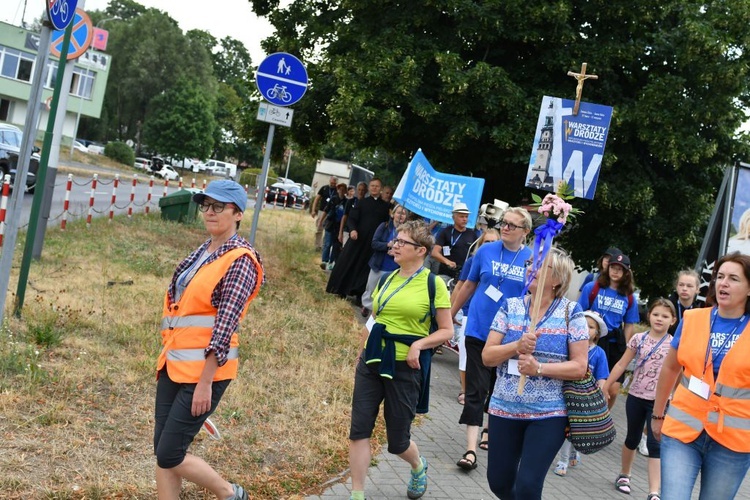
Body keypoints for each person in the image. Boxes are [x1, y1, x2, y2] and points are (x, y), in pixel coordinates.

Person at [154, 180, 264, 500]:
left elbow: (225, 325)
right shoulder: (204, 251)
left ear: (238, 213)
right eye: (206, 205)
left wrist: (205, 382)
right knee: (163, 449)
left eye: (219, 207)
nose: (210, 212)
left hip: (206, 372)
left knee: (171, 453)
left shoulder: (240, 260)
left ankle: (230, 494)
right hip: (174, 363)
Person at [348, 220, 453, 500]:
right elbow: (375, 317)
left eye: (401, 242)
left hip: (406, 367)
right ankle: (357, 494)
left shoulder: (433, 285)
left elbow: (447, 330)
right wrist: (362, 349)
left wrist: (419, 344)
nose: (394, 245)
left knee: (397, 441)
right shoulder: (386, 278)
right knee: (359, 430)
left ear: (420, 251)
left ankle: (418, 465)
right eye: (395, 240)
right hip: (372, 362)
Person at [482, 247, 589, 499]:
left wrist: (539, 368)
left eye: (541, 266)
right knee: (498, 481)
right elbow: (487, 356)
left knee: (529, 485)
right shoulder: (510, 306)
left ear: (558, 279)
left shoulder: (571, 312)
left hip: (548, 413)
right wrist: (516, 346)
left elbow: (579, 367)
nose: (532, 268)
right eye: (531, 263)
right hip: (504, 406)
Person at [652, 252, 750, 500]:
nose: (723, 283)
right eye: (720, 277)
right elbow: (670, 368)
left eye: (734, 279)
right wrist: (657, 414)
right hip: (683, 430)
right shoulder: (693, 318)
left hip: (733, 442)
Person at [450, 207, 532, 470]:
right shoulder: (485, 251)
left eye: (512, 225)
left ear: (525, 232)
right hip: (478, 329)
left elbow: (534, 298)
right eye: (504, 223)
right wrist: (448, 316)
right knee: (476, 389)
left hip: (508, 339)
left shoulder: (532, 260)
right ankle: (470, 450)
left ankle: (489, 429)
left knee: (497, 390)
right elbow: (469, 285)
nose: (505, 228)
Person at [603, 298, 675, 499]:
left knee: (655, 444)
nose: (659, 319)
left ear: (673, 320)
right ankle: (624, 475)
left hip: (660, 402)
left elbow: (678, 374)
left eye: (665, 316)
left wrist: (674, 397)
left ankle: (653, 491)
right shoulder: (638, 339)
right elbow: (621, 364)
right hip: (635, 396)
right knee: (632, 438)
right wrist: (606, 386)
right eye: (656, 314)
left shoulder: (674, 344)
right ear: (649, 315)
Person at [578, 250, 640, 407]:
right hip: (593, 340)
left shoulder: (629, 296)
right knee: (587, 382)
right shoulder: (592, 288)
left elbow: (629, 324)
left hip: (614, 343)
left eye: (620, 269)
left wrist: (625, 348)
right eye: (613, 267)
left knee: (612, 390)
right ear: (607, 268)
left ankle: (604, 417)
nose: (615, 271)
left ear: (626, 273)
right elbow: (579, 314)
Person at [554, 310, 609, 477]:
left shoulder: (599, 353)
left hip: (585, 398)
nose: (586, 329)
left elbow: (602, 377)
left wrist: (599, 395)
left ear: (597, 333)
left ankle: (570, 454)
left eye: (591, 327)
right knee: (566, 427)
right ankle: (563, 459)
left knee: (576, 429)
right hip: (567, 393)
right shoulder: (569, 346)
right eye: (583, 324)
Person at [450, 228, 501, 405]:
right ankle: (465, 390)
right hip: (471, 312)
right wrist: (451, 311)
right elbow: (461, 286)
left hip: (495, 319)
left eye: (494, 242)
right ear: (480, 244)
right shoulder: (474, 260)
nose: (491, 245)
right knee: (465, 353)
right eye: (487, 242)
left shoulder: (504, 263)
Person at [327, 178, 390, 304]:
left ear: (381, 188)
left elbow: (387, 224)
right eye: (372, 186)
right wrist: (353, 230)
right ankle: (341, 290)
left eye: (377, 186)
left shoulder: (385, 207)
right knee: (348, 263)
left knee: (365, 269)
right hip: (357, 240)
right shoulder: (361, 203)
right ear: (369, 188)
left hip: (372, 244)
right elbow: (351, 219)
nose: (374, 188)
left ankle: (359, 294)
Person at [360, 204, 409, 317]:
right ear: (393, 214)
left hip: (394, 268)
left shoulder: (406, 232)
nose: (401, 216)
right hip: (379, 265)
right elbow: (374, 243)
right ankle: (367, 306)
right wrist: (387, 245)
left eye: (404, 214)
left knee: (385, 292)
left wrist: (396, 251)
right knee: (371, 289)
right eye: (399, 213)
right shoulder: (384, 226)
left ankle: (375, 313)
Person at [430, 202, 480, 282]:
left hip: (463, 276)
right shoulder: (446, 232)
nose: (465, 219)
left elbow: (477, 254)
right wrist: (447, 261)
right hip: (445, 273)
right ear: (454, 217)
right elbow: (434, 252)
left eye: (466, 217)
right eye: (462, 216)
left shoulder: (472, 234)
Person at [321, 182, 349, 270]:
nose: (341, 191)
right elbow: (326, 210)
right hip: (330, 224)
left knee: (335, 245)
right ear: (338, 190)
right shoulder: (333, 199)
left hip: (339, 226)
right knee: (327, 243)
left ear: (345, 191)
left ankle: (331, 261)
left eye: (343, 189)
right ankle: (324, 261)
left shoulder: (346, 202)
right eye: (340, 189)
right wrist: (321, 221)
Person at [668, 269, 702, 335]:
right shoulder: (667, 307)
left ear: (697, 289)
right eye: (681, 285)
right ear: (676, 286)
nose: (684, 289)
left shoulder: (699, 313)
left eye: (689, 286)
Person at [311, 176, 338, 250]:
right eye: (332, 182)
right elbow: (316, 199)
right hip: (322, 211)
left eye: (334, 183)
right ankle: (317, 245)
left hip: (331, 212)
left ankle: (324, 246)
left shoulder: (337, 190)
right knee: (319, 228)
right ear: (329, 181)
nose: (333, 184)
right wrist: (313, 210)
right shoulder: (324, 188)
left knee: (328, 230)